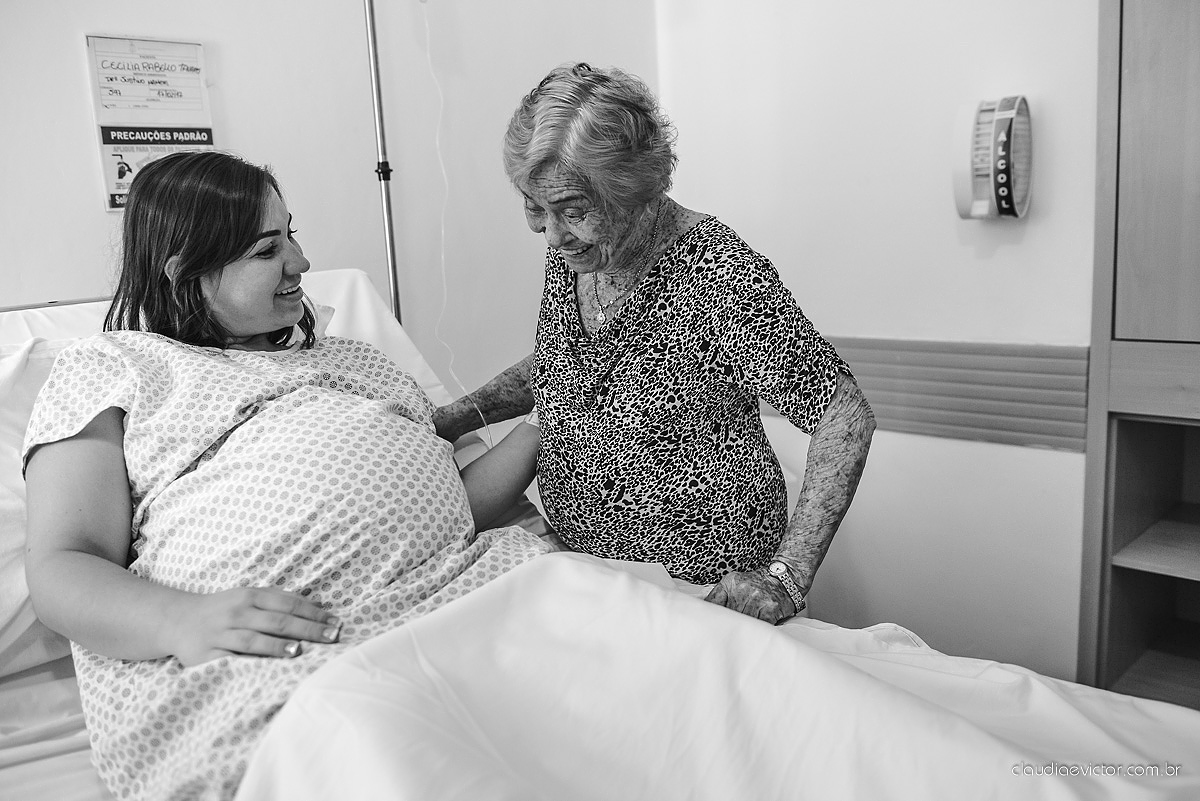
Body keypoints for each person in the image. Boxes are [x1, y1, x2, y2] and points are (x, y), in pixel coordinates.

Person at [22, 150, 547, 800]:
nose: (300, 261)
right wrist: (180, 620)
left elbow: (450, 504)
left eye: (291, 234)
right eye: (267, 249)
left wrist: (548, 420)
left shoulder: (358, 360)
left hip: (468, 593)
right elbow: (62, 563)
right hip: (299, 651)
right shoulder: (116, 366)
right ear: (187, 272)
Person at [435, 63, 876, 624]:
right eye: (534, 207)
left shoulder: (719, 277)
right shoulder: (582, 251)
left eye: (573, 211)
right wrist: (452, 417)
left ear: (634, 191)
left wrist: (784, 578)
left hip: (698, 594)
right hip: (595, 578)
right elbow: (568, 362)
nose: (551, 233)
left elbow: (845, 415)